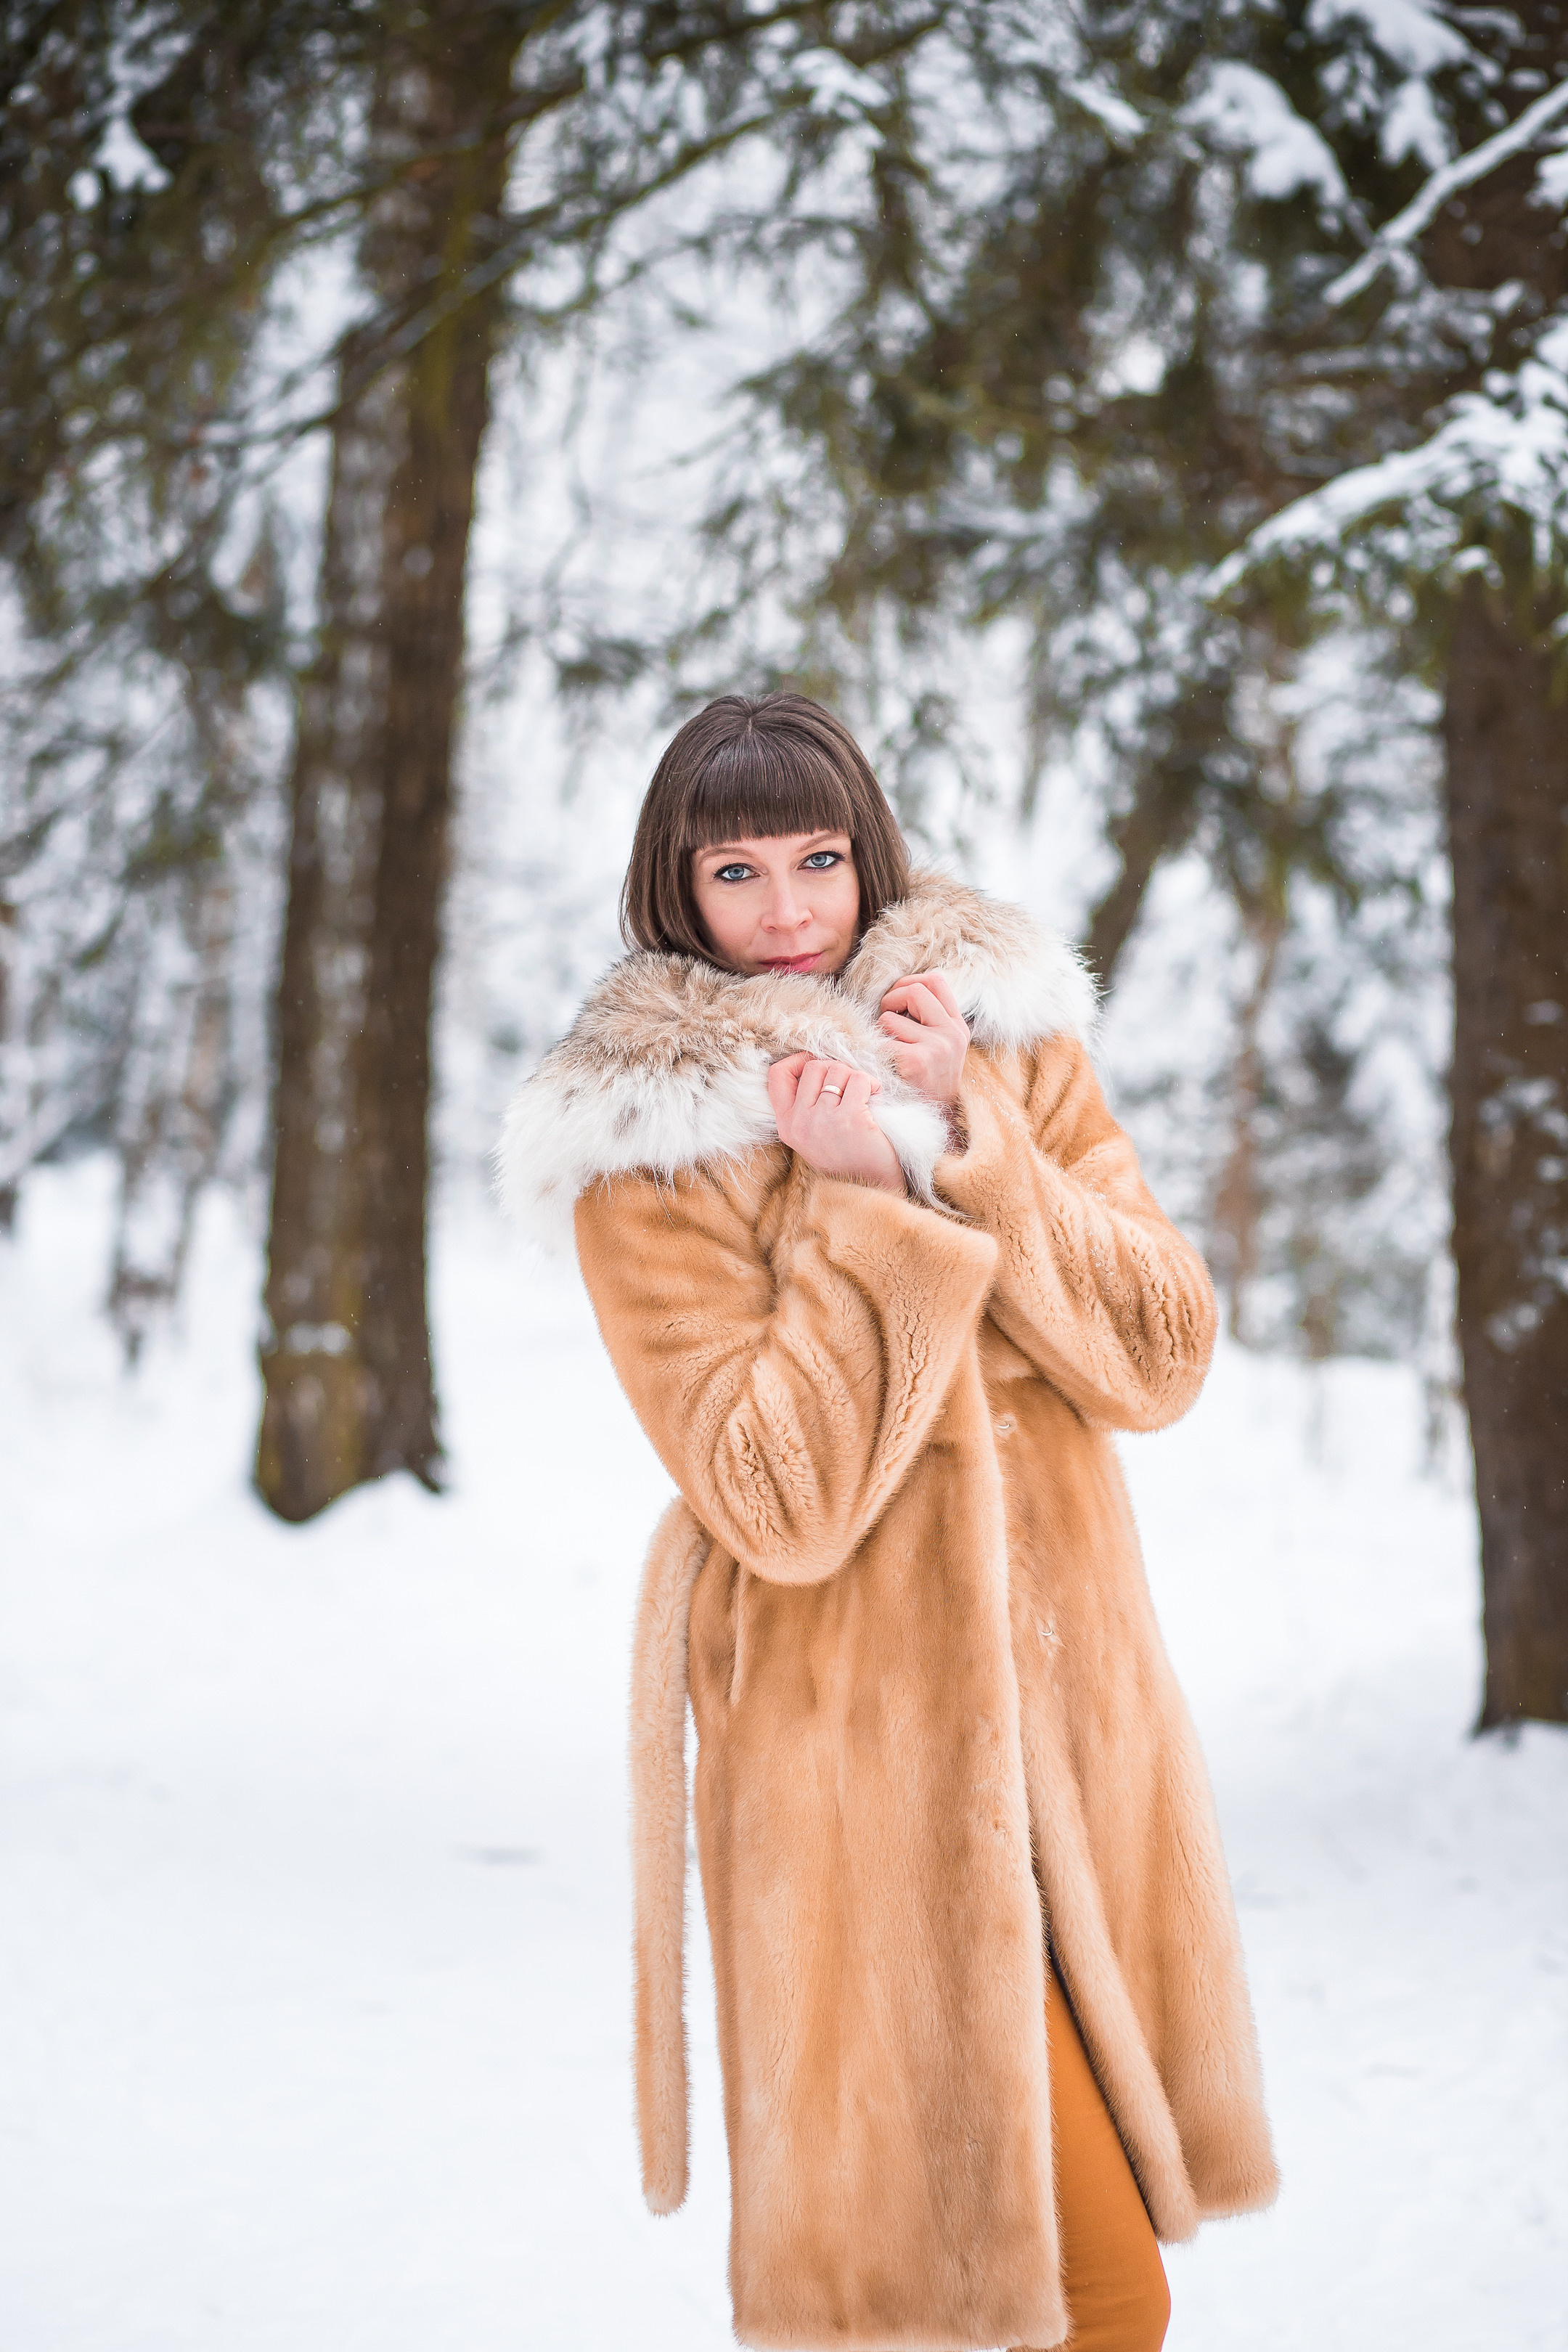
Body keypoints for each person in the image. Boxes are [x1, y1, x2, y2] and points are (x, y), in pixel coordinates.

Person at [499, 693, 1278, 2352]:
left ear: (871, 857)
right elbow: (774, 1496)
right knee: (1055, 2297)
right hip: (860, 1766)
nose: (787, 913)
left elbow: (1161, 1353)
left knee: (1058, 2290)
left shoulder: (1003, 1045)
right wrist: (860, 1215)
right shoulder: (651, 1152)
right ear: (676, 893)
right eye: (737, 872)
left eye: (819, 859)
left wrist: (976, 1148)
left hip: (1075, 1739)